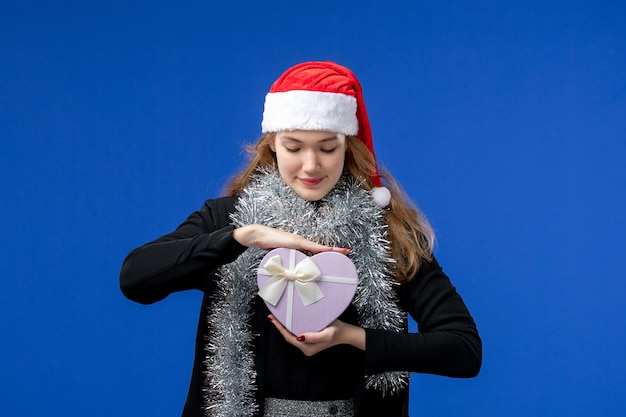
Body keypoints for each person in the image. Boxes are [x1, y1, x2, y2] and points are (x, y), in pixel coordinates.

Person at [119, 61, 481, 417]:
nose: (311, 166)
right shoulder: (228, 219)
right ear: (273, 145)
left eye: (327, 148)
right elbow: (136, 278)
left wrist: (351, 337)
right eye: (294, 147)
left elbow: (464, 350)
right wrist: (244, 237)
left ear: (348, 146)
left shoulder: (386, 231)